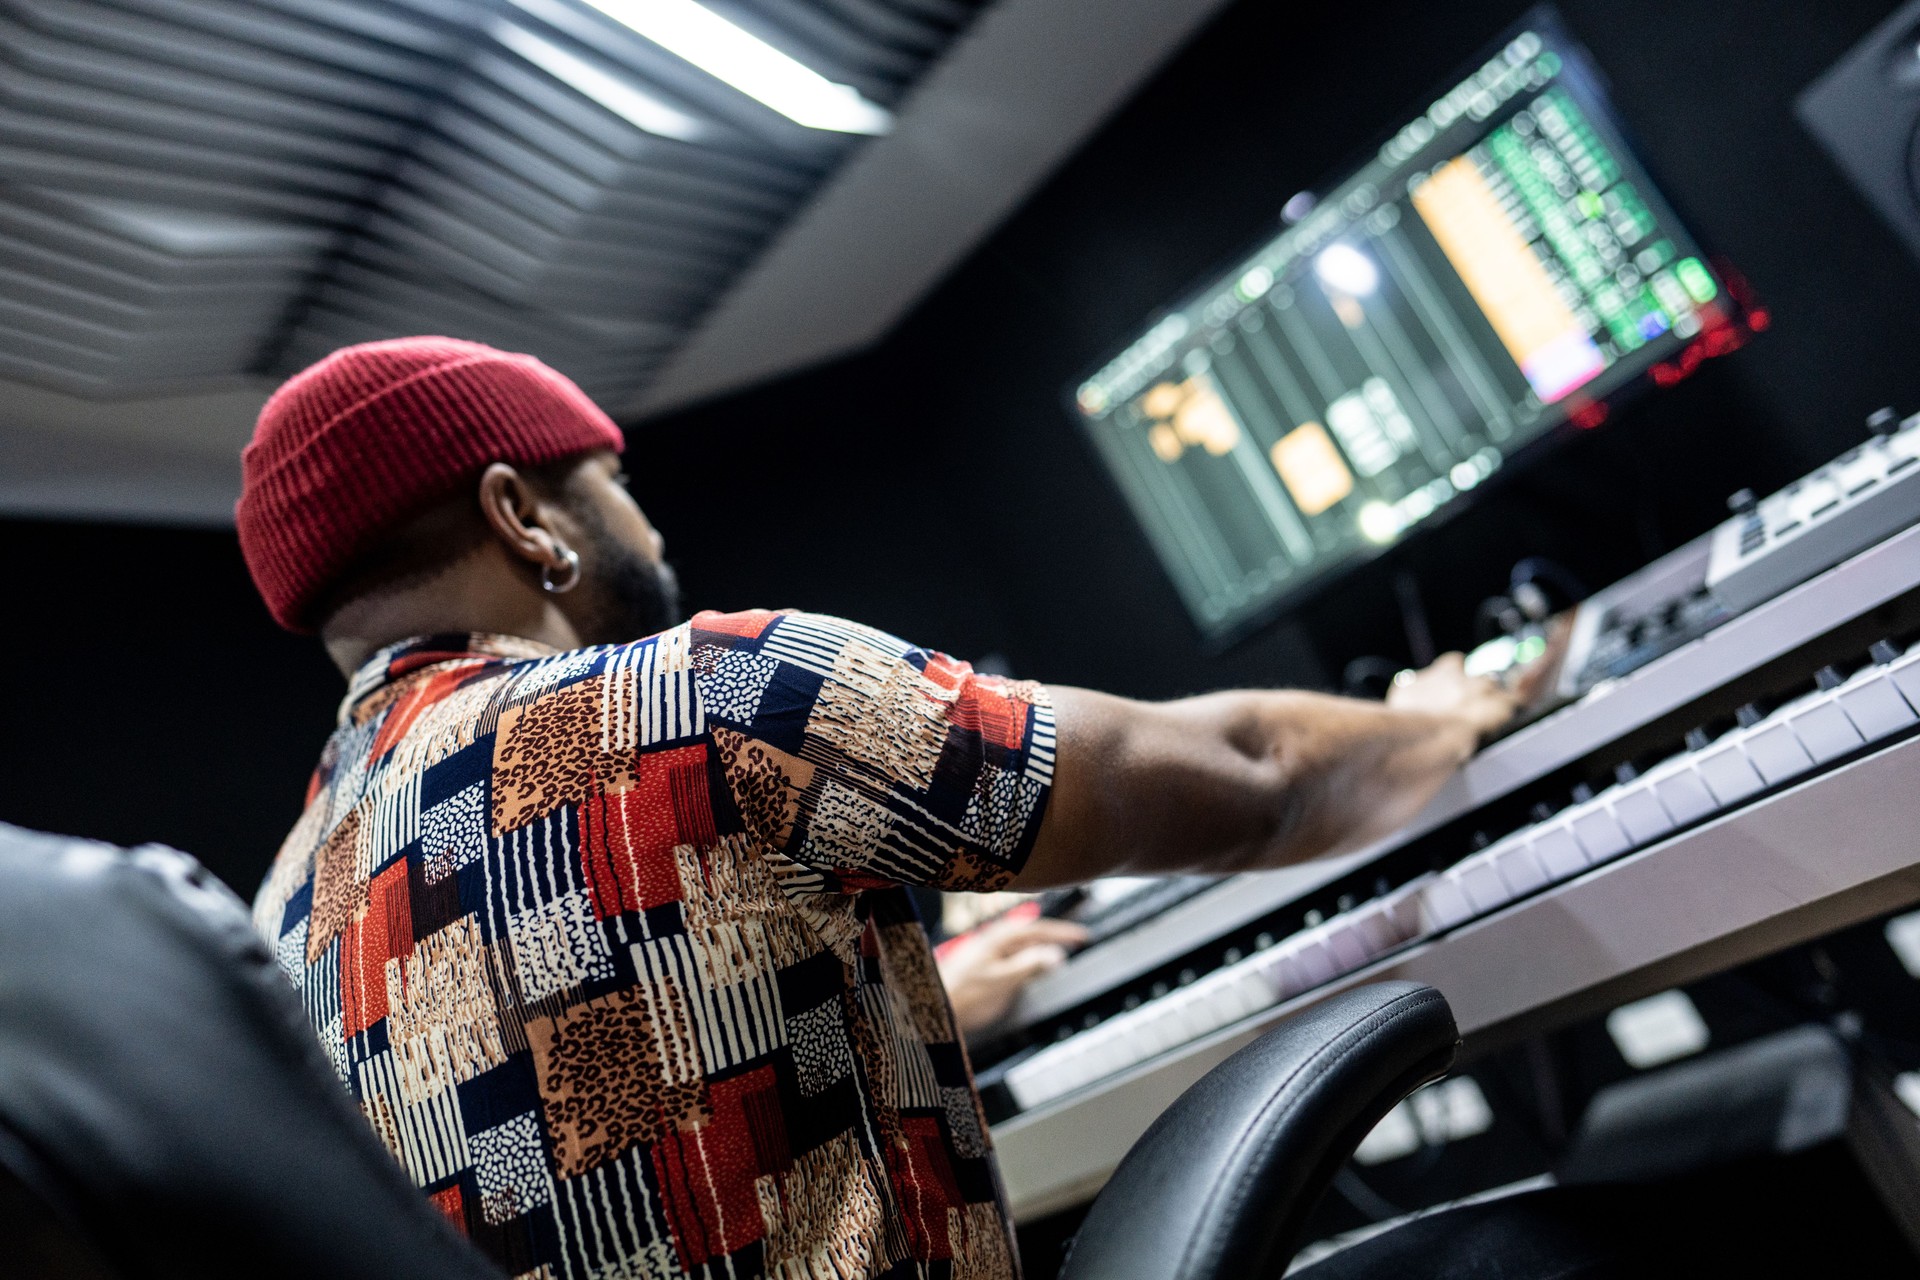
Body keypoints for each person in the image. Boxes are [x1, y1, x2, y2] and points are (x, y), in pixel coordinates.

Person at [240, 337, 1520, 1280]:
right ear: (525, 516)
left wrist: (894, 998)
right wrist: (1450, 715)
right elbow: (1250, 779)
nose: (648, 516)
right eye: (612, 478)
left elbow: (553, 1099)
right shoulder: (704, 694)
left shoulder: (278, 915)